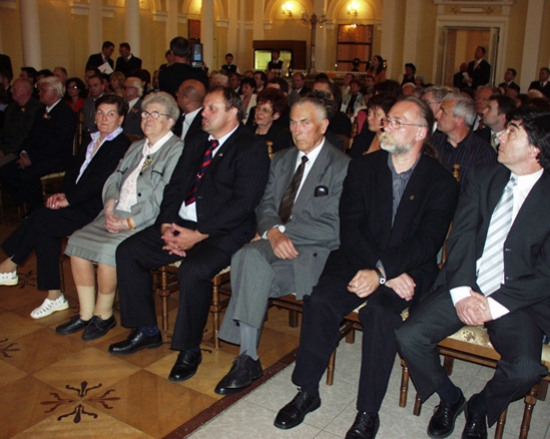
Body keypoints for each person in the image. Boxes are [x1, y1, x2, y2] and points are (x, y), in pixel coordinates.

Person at [274, 97, 460, 438]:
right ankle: (307, 391)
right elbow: (351, 227)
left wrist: (383, 274)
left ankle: (367, 411)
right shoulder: (362, 167)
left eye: (397, 122)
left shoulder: (441, 182)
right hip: (357, 258)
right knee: (321, 300)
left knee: (379, 313)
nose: (386, 126)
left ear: (421, 132)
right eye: (387, 120)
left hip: (409, 269)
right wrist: (377, 269)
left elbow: (426, 242)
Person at [396, 107, 550, 439]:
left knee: (525, 370)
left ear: (535, 150)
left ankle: (480, 406)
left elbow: (546, 274)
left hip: (517, 299)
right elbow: (461, 237)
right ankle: (450, 398)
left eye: (512, 132)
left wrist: (492, 306)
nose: (499, 137)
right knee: (409, 336)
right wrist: (464, 292)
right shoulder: (483, 176)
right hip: (468, 282)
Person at [107, 87, 270, 384]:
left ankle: (189, 349)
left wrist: (198, 235)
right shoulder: (197, 141)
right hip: (181, 223)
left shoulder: (251, 147)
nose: (203, 113)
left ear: (233, 112)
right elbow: (176, 185)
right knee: (129, 252)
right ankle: (146, 330)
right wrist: (166, 224)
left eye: (211, 108)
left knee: (193, 271)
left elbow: (243, 204)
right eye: (204, 107)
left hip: (223, 232)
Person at [216, 95, 350, 396]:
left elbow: (335, 227)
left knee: (250, 267)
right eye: (292, 122)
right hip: (276, 242)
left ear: (323, 125)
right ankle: (248, 356)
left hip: (313, 252)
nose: (296, 129)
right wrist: (273, 232)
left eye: (305, 123)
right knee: (246, 256)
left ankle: (248, 358)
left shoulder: (342, 167)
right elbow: (265, 204)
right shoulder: (281, 159)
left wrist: (283, 232)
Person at [56, 92, 183, 340]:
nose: (147, 118)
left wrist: (128, 223)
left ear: (170, 121)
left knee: (109, 250)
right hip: (114, 212)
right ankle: (85, 313)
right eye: (145, 113)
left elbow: (163, 196)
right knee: (78, 241)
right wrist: (110, 208)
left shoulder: (176, 150)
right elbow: (113, 179)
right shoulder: (136, 146)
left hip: (144, 220)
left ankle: (103, 315)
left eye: (155, 114)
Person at [0, 95, 131, 316]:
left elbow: (99, 182)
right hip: (77, 200)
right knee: (44, 225)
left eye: (110, 114)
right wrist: (63, 193)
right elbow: (73, 171)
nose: (103, 118)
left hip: (98, 207)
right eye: (100, 113)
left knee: (41, 218)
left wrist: (69, 200)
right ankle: (53, 296)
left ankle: (11, 265)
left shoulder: (121, 145)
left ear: (120, 119)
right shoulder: (90, 139)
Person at [0, 76, 76, 210]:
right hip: (37, 155)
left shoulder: (65, 112)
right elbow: (31, 136)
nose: (39, 93)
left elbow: (57, 143)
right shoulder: (41, 111)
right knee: (6, 172)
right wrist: (24, 153)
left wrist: (32, 158)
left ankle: (37, 210)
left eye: (43, 90)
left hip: (56, 157)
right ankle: (27, 202)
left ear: (54, 92)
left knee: (27, 175)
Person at [433, 94, 497, 189]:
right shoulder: (433, 144)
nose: (437, 115)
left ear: (459, 120)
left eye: (443, 112)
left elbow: (485, 191)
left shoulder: (483, 153)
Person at [0, 78, 41, 168]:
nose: (11, 90)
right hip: (5, 147)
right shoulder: (12, 107)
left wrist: (4, 151)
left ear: (25, 90)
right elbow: (3, 130)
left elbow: (25, 136)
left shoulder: (35, 109)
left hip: (18, 151)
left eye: (14, 87)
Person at [348, 93, 397, 159]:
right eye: (369, 113)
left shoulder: (396, 147)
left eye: (376, 114)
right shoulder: (361, 140)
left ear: (389, 118)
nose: (369, 118)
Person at [249, 87, 292, 154]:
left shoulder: (282, 138)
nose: (259, 112)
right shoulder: (247, 133)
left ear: (276, 115)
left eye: (265, 110)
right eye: (258, 108)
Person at [173, 79, 205, 145]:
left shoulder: (204, 124)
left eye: (178, 93)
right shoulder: (178, 117)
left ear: (186, 99)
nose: (176, 95)